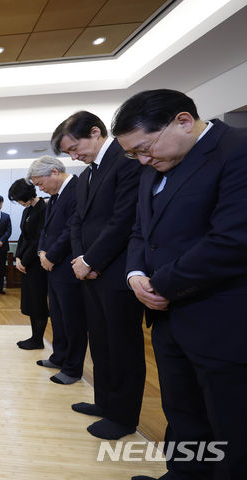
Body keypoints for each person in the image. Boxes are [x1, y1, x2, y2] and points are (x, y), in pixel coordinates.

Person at [112, 89, 247, 480]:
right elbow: (141, 231)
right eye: (133, 154)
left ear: (183, 122)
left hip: (222, 317)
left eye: (145, 148)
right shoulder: (153, 169)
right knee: (182, 410)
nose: (142, 159)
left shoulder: (236, 151)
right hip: (169, 318)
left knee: (229, 424)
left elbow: (233, 240)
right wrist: (135, 275)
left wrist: (161, 284)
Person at [51, 111, 146, 440]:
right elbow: (77, 220)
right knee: (101, 343)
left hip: (115, 271)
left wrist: (92, 259)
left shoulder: (126, 160)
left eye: (75, 148)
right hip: (87, 271)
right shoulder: (88, 174)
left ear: (95, 132)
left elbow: (123, 219)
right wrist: (80, 258)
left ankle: (123, 416)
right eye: (68, 154)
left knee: (123, 347)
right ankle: (104, 402)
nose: (74, 156)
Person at [28, 156, 87, 386]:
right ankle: (59, 356)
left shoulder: (77, 189)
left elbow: (73, 228)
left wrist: (51, 256)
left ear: (54, 172)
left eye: (40, 183)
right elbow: (46, 229)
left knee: (73, 320)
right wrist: (42, 252)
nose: (39, 188)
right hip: (52, 266)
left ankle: (72, 368)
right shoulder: (53, 197)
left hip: (68, 265)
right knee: (59, 317)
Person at [8, 179, 48, 350]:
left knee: (38, 301)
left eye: (17, 199)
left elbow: (38, 239)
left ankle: (38, 339)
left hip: (37, 263)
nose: (18, 202)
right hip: (26, 263)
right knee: (30, 301)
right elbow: (23, 236)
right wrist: (17, 257)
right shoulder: (28, 211)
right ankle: (34, 337)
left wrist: (24, 260)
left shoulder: (44, 209)